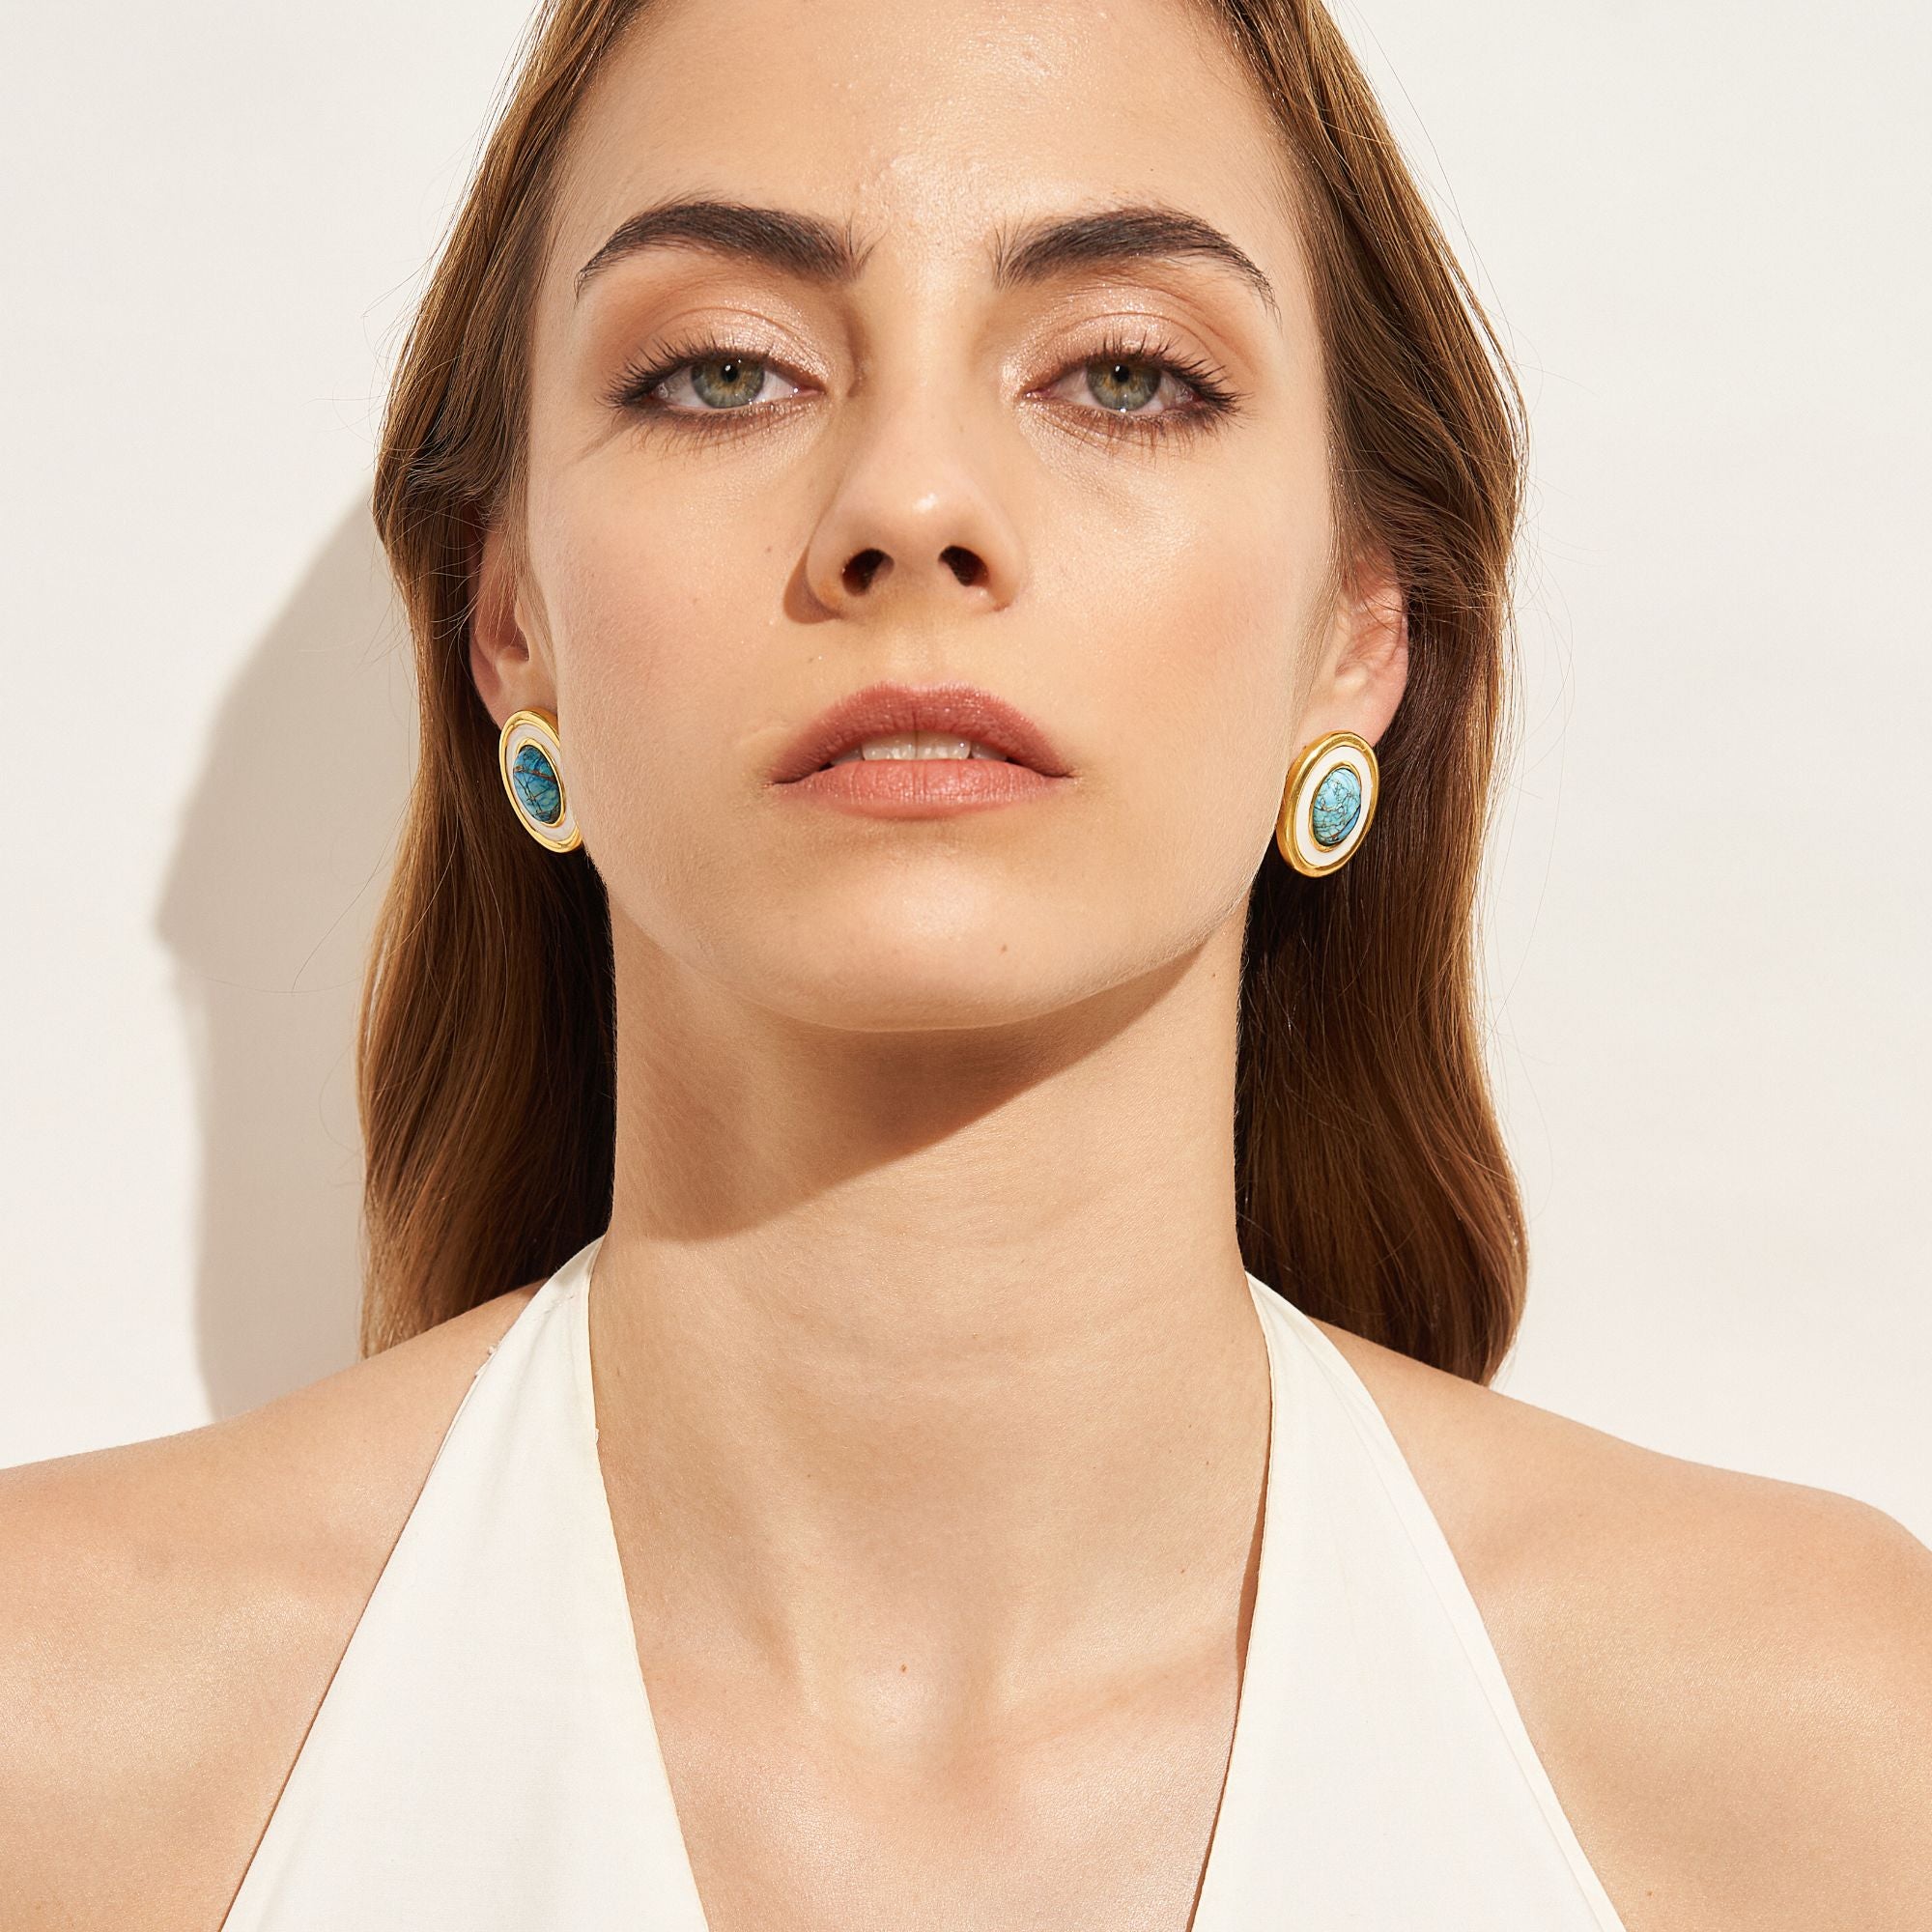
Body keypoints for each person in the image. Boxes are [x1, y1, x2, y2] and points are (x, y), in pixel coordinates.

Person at [5, 0, 1929, 1924]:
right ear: (512, 632)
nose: (910, 508)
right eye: (723, 373)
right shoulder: (57, 1727)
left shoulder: (1824, 1755)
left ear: (1361, 638)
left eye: (1126, 375)